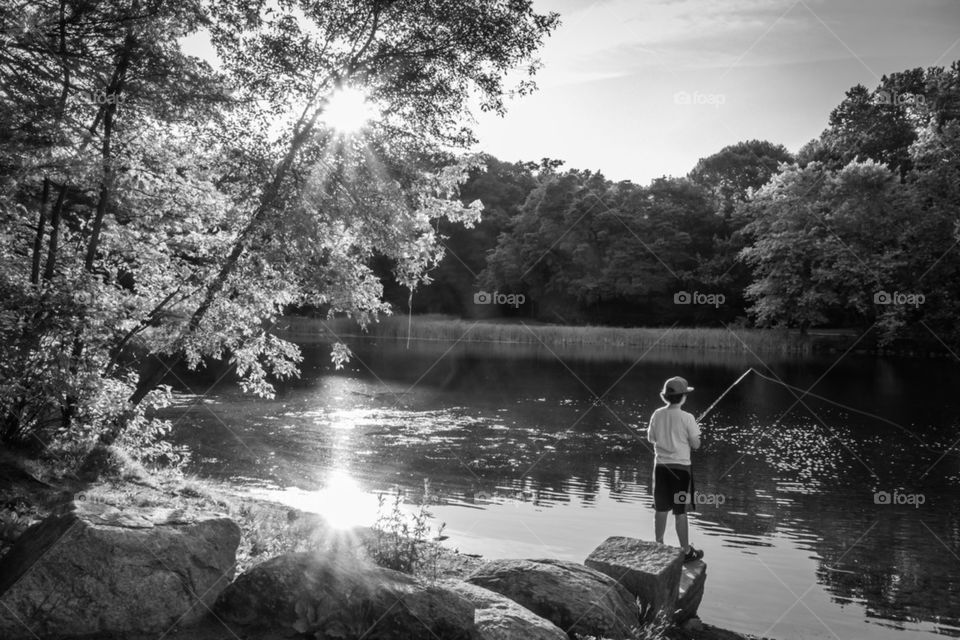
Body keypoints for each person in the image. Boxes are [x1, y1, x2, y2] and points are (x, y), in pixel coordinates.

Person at [647, 375, 703, 562]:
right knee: (680, 511)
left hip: (661, 467)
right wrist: (692, 437)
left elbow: (651, 439)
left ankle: (659, 544)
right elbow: (696, 445)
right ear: (683, 397)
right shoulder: (688, 418)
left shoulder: (657, 414)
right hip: (681, 471)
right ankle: (686, 551)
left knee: (660, 508)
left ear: (666, 397)